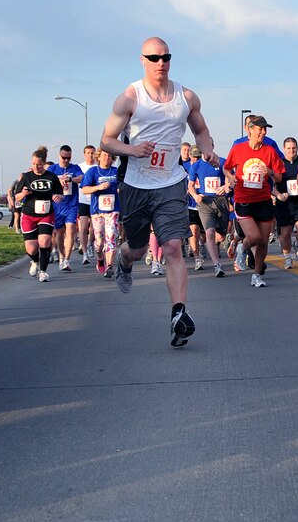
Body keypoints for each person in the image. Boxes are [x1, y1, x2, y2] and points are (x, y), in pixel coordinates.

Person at [100, 36, 219, 347]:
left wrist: (207, 150)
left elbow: (201, 130)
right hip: (136, 186)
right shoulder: (129, 98)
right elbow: (107, 141)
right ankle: (124, 261)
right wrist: (133, 149)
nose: (161, 62)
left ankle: (178, 316)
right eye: (154, 58)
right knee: (138, 249)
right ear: (143, 60)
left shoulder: (187, 97)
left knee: (173, 248)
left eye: (165, 56)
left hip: (170, 183)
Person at [223, 115, 284, 288]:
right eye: (260, 129)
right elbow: (226, 168)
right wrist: (231, 178)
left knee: (263, 241)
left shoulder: (270, 151)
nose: (263, 132)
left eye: (265, 129)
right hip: (243, 200)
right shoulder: (238, 148)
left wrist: (270, 171)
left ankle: (256, 275)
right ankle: (243, 248)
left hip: (263, 200)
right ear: (251, 129)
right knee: (254, 237)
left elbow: (279, 177)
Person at [14, 147, 63, 282]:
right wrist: (23, 194)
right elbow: (16, 197)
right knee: (31, 247)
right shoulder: (27, 177)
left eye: (39, 164)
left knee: (44, 241)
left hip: (46, 214)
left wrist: (58, 197)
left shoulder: (51, 177)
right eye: (34, 164)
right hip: (29, 214)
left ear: (44, 163)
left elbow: (60, 193)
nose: (36, 166)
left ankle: (43, 271)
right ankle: (34, 261)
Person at [188, 143, 230, 277]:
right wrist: (195, 196)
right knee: (210, 232)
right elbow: (191, 186)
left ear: (212, 146)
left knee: (221, 236)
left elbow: (232, 179)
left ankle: (208, 242)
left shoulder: (222, 162)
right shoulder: (196, 165)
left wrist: (225, 186)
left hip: (221, 201)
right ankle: (217, 265)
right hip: (205, 202)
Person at [80, 149, 121, 278]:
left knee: (111, 239)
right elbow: (85, 189)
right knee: (99, 242)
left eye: (109, 155)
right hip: (97, 211)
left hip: (113, 210)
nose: (106, 158)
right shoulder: (93, 171)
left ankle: (109, 266)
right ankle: (100, 258)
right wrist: (98, 187)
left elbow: (122, 186)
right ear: (99, 157)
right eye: (104, 155)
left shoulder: (116, 172)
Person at [272, 137, 298, 269]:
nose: (291, 150)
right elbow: (272, 184)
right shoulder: (279, 163)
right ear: (284, 149)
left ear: (297, 148)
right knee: (286, 234)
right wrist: (278, 195)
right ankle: (287, 258)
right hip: (284, 204)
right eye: (288, 148)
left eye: (294, 148)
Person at [47, 145, 84, 271]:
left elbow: (82, 178)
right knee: (59, 233)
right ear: (59, 156)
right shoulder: (53, 169)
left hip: (71, 205)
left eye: (68, 158)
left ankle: (67, 260)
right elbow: (47, 184)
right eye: (64, 158)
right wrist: (52, 196)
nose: (66, 160)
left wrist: (70, 179)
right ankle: (62, 257)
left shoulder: (74, 168)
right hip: (57, 206)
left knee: (71, 229)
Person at [77, 145, 98, 265]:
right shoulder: (80, 167)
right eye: (88, 153)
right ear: (84, 154)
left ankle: (90, 244)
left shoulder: (97, 167)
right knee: (83, 227)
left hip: (95, 201)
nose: (90, 155)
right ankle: (84, 252)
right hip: (83, 200)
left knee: (94, 228)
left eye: (92, 153)